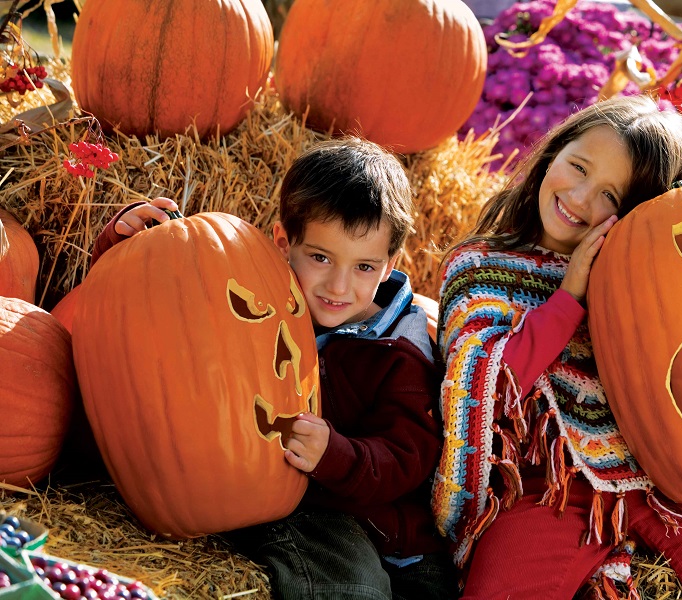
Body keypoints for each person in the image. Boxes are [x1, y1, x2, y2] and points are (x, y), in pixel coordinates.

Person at [431, 94, 682, 600]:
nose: (581, 198)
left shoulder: (662, 287)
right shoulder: (482, 269)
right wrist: (569, 298)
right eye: (578, 166)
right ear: (553, 152)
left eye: (612, 196)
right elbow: (485, 385)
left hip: (671, 481)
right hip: (554, 489)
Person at [90, 137, 460, 600]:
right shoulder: (260, 297)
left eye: (364, 266)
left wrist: (337, 454)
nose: (338, 286)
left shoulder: (398, 348)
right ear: (284, 243)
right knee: (350, 587)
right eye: (321, 258)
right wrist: (120, 244)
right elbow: (157, 308)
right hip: (312, 508)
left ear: (389, 266)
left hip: (393, 526)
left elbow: (408, 457)